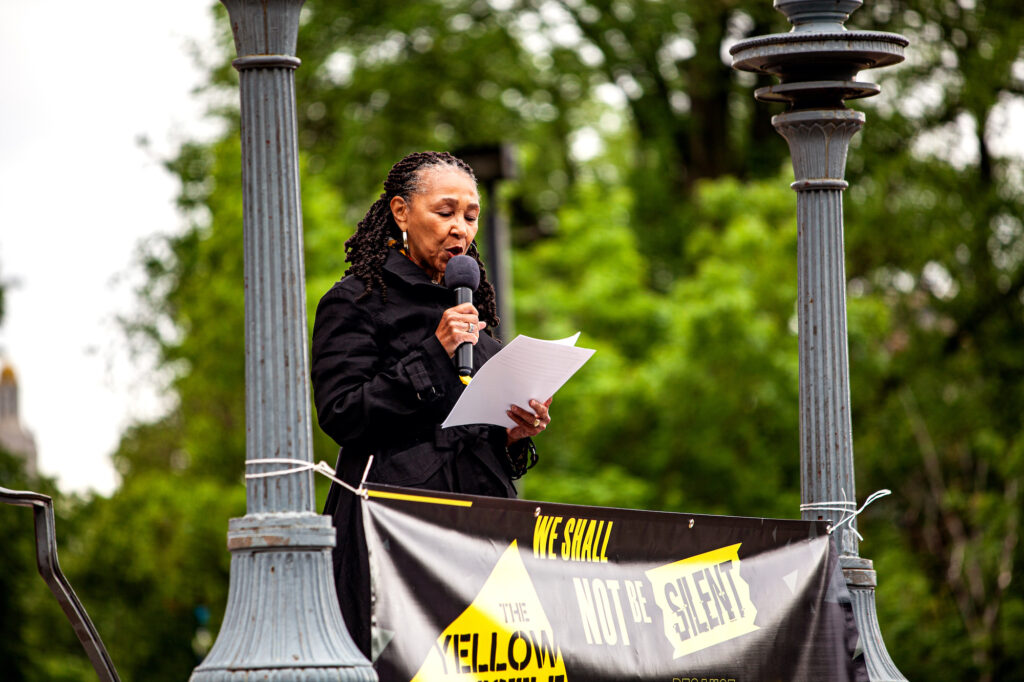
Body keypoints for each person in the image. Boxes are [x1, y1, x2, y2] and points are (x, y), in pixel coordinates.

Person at [311, 150, 552, 658]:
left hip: (482, 542)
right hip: (396, 537)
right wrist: (433, 355)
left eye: (470, 216)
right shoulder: (355, 302)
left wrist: (512, 434)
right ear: (401, 212)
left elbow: (476, 437)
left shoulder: (475, 318)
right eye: (444, 212)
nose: (459, 228)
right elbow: (342, 413)